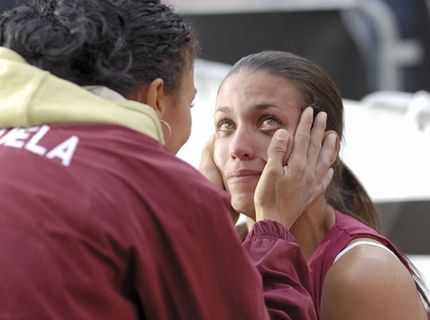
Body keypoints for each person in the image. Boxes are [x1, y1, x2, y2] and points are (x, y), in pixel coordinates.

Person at [0, 1, 336, 319]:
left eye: (267, 122)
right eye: (192, 106)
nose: (239, 147)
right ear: (157, 97)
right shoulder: (168, 194)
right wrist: (272, 230)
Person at [200, 50, 430, 319]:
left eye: (268, 121)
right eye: (226, 124)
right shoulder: (215, 248)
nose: (238, 148)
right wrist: (207, 237)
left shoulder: (363, 273)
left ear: (323, 147)